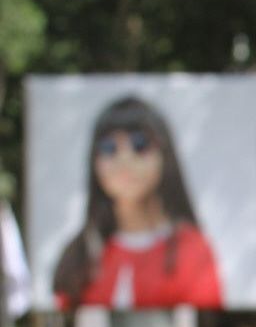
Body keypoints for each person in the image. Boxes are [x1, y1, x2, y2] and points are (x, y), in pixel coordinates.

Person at [52, 96, 222, 310]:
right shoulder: (81, 255)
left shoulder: (192, 249)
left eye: (140, 145)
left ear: (164, 156)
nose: (124, 160)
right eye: (109, 148)